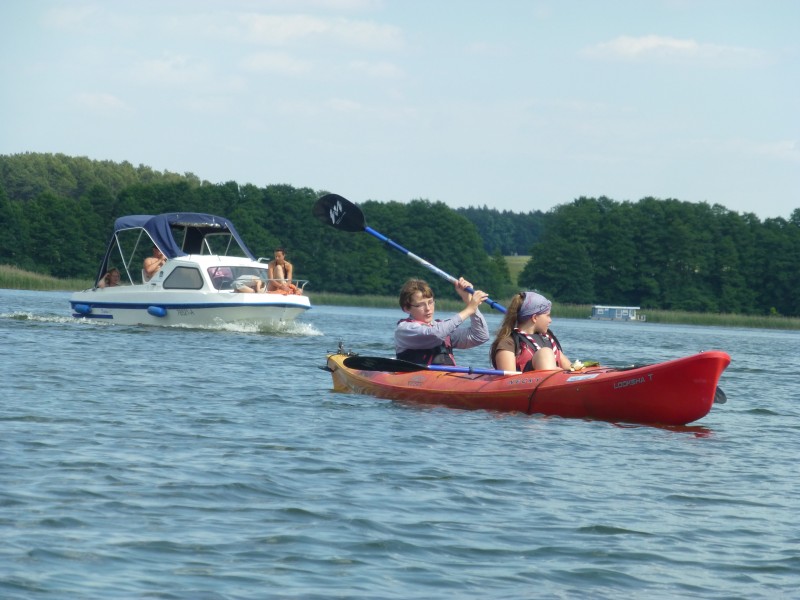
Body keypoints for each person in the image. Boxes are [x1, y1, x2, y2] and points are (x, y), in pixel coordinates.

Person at [395, 277, 490, 366]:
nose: (428, 308)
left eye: (430, 302)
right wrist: (469, 309)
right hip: (417, 376)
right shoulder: (404, 329)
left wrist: (468, 300)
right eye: (420, 305)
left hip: (446, 376)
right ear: (406, 308)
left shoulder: (442, 328)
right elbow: (436, 334)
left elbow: (480, 336)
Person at [490, 291, 572, 372]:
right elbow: (507, 377)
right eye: (547, 315)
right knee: (545, 353)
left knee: (547, 352)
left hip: (553, 377)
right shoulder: (508, 342)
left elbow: (570, 368)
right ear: (535, 318)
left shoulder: (548, 339)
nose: (550, 320)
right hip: (527, 380)